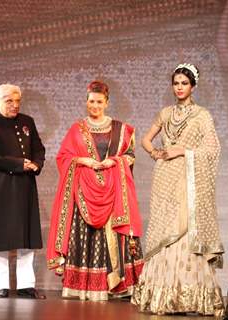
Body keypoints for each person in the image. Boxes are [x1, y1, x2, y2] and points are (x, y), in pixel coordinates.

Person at [131, 64, 224, 317]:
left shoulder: (202, 115)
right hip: (164, 177)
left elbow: (213, 148)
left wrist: (182, 150)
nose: (180, 87)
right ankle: (163, 295)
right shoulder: (165, 113)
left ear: (193, 86)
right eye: (176, 83)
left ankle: (188, 296)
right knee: (165, 228)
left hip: (189, 177)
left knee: (183, 228)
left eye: (184, 83)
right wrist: (157, 154)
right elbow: (145, 139)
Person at [47, 80, 144, 301]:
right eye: (91, 101)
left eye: (99, 102)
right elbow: (63, 157)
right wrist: (83, 160)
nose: (95, 106)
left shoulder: (122, 129)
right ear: (86, 101)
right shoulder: (77, 129)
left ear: (107, 103)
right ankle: (87, 286)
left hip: (113, 190)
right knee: (87, 238)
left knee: (114, 235)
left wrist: (114, 162)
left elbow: (130, 156)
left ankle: (117, 284)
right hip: (84, 192)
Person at [0, 84, 46, 299]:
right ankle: (0, 285)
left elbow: (38, 148)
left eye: (17, 101)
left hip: (24, 185)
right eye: (9, 101)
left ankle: (26, 284)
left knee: (25, 235)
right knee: (0, 237)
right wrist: (18, 164)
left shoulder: (27, 122)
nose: (15, 105)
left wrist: (36, 163)